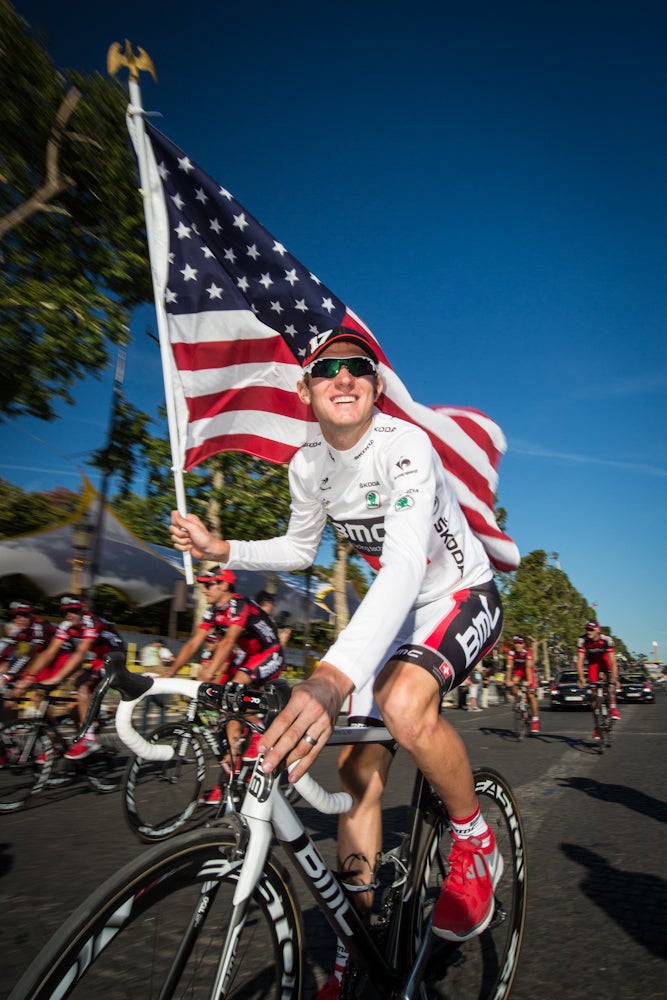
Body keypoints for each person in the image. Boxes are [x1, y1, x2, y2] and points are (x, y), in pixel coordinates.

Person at [169, 324, 506, 999]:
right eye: (327, 370)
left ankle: (475, 841)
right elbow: (299, 550)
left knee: (407, 708)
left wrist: (328, 677)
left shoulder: (404, 445)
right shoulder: (306, 465)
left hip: (457, 595)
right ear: (305, 389)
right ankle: (359, 944)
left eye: (358, 367)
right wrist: (220, 550)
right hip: (396, 612)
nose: (343, 377)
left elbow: (408, 563)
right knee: (357, 776)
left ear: (376, 387)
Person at [165, 567, 285, 804]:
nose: (204, 589)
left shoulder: (239, 605)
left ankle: (263, 736)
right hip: (250, 658)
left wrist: (208, 673)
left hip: (270, 654)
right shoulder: (213, 611)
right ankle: (229, 784)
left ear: (224, 585)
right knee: (230, 723)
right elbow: (194, 642)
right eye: (202, 585)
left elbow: (230, 640)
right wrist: (170, 673)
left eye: (208, 585)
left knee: (233, 689)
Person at [14, 595, 125, 759]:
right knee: (73, 706)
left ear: (83, 610)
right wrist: (31, 676)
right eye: (66, 611)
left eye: (74, 610)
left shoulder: (91, 621)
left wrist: (56, 678)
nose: (70, 615)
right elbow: (50, 652)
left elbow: (80, 653)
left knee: (82, 684)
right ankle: (73, 739)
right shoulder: (66, 625)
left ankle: (88, 737)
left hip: (115, 658)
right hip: (97, 659)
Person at [575, 620, 620, 739]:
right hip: (593, 664)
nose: (589, 632)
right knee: (593, 694)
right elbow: (579, 661)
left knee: (609, 684)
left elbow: (612, 661)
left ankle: (613, 707)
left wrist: (614, 679)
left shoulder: (606, 639)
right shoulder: (582, 640)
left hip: (605, 661)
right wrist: (581, 677)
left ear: (598, 630)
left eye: (591, 629)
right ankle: (597, 726)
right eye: (587, 629)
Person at [0, 601, 56, 689]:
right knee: (5, 664)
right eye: (15, 616)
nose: (20, 619)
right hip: (42, 657)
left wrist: (9, 675)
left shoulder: (39, 626)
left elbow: (31, 653)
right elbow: (7, 651)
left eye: (24, 615)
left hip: (58, 657)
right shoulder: (20, 631)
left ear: (31, 615)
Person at [505, 634, 540, 734]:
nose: (518, 645)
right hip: (519, 671)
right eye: (516, 643)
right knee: (513, 680)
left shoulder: (528, 652)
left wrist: (528, 682)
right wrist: (508, 680)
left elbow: (528, 668)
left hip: (529, 671)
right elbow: (509, 668)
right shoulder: (511, 652)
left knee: (531, 695)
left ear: (523, 644)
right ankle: (518, 699)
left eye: (520, 643)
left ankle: (535, 720)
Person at [139, 640, 175, 734]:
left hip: (145, 680)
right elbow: (172, 659)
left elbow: (142, 661)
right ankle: (162, 732)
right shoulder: (162, 650)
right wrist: (166, 662)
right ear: (161, 644)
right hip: (158, 680)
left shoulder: (145, 650)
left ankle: (143, 731)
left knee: (146, 709)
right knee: (162, 707)